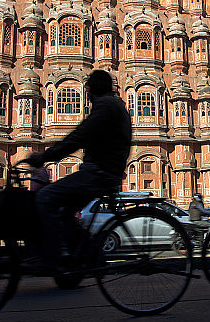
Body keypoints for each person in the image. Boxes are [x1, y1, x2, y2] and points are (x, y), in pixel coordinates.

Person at [23, 70, 132, 266]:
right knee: (64, 212)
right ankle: (83, 257)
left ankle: (53, 253)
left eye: (88, 89)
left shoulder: (105, 107)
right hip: (105, 170)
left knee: (45, 198)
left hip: (98, 172)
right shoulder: (113, 105)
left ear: (93, 90)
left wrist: (45, 156)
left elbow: (79, 136)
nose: (87, 93)